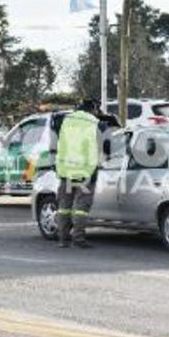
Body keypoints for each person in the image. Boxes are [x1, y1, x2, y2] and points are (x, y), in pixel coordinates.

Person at [56, 99, 101, 249]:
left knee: (64, 207)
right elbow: (99, 147)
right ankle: (78, 239)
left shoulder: (67, 120)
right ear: (93, 109)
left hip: (66, 170)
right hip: (85, 172)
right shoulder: (94, 123)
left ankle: (63, 239)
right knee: (81, 208)